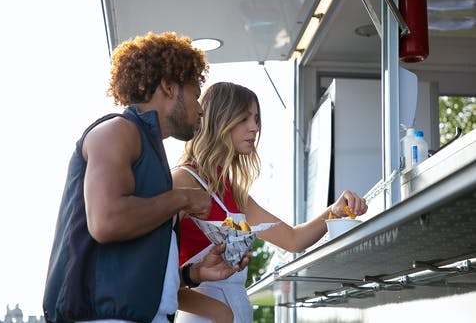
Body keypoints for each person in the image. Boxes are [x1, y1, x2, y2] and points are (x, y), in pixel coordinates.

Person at [42, 33, 250, 323]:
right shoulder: (116, 132)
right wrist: (182, 199)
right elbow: (107, 221)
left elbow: (133, 265)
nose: (200, 108)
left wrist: (194, 274)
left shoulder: (148, 148)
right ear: (168, 87)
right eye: (195, 92)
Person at [172, 82, 368, 322]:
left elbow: (294, 240)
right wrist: (219, 311)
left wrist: (334, 211)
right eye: (244, 118)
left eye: (256, 119)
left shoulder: (233, 191)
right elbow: (155, 276)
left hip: (237, 313)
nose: (254, 128)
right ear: (219, 120)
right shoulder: (183, 180)